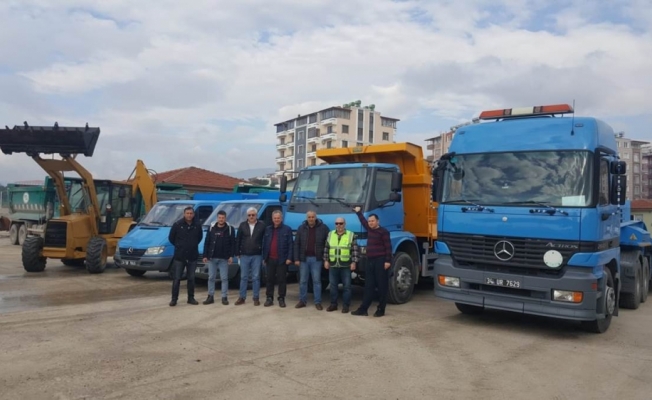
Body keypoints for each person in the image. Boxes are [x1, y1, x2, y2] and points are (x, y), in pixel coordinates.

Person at [350, 206, 392, 317]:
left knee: (382, 286)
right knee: (369, 286)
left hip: (381, 261)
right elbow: (363, 221)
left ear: (378, 221)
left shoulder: (383, 232)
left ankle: (381, 310)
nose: (370, 223)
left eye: (372, 221)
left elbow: (388, 247)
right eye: (369, 221)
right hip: (370, 261)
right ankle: (363, 309)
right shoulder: (369, 230)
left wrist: (387, 261)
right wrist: (359, 212)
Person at [293, 211, 330, 310]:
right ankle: (302, 301)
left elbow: (328, 244)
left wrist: (325, 258)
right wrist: (296, 258)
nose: (311, 219)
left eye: (313, 217)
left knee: (317, 281)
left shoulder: (323, 228)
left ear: (316, 217)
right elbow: (296, 244)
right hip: (303, 259)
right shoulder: (301, 228)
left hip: (317, 259)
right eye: (309, 217)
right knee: (303, 281)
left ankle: (317, 302)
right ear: (307, 218)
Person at [168, 206, 204, 307]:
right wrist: (180, 246)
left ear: (193, 214)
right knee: (177, 279)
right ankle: (174, 299)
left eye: (191, 213)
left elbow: (199, 237)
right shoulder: (177, 224)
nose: (189, 215)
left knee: (191, 278)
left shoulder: (197, 225)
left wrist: (191, 245)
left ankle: (191, 298)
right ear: (184, 214)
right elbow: (171, 238)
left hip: (192, 256)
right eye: (187, 213)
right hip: (180, 256)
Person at [324, 216, 358, 313]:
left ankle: (346, 306)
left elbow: (355, 250)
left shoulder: (350, 235)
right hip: (333, 265)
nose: (339, 225)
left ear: (345, 224)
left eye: (341, 223)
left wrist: (354, 262)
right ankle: (333, 304)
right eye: (337, 223)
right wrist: (326, 260)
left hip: (346, 265)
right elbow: (326, 248)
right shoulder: (330, 234)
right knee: (333, 286)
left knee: (347, 286)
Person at [202, 210, 236, 305]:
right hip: (212, 258)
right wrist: (205, 255)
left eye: (223, 218)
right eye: (219, 218)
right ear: (217, 218)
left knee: (224, 278)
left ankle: (224, 297)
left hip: (224, 258)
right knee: (211, 277)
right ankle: (210, 296)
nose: (221, 219)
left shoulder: (230, 229)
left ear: (225, 218)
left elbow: (233, 243)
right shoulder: (211, 228)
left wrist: (231, 256)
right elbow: (207, 242)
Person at [262, 210, 293, 308]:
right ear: (272, 219)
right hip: (270, 259)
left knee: (281, 280)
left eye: (278, 218)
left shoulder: (287, 229)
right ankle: (269, 298)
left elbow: (290, 245)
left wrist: (289, 258)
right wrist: (264, 257)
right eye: (275, 218)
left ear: (281, 218)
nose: (276, 220)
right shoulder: (268, 229)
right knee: (269, 279)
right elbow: (264, 244)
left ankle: (281, 298)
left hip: (282, 259)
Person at [235, 207, 266, 306]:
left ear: (256, 215)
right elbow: (238, 239)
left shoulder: (262, 225)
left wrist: (264, 255)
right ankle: (242, 297)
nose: (251, 216)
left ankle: (256, 298)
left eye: (253, 215)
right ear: (247, 216)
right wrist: (237, 253)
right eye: (249, 215)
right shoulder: (242, 225)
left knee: (256, 277)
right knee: (243, 277)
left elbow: (265, 240)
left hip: (257, 255)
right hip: (244, 255)